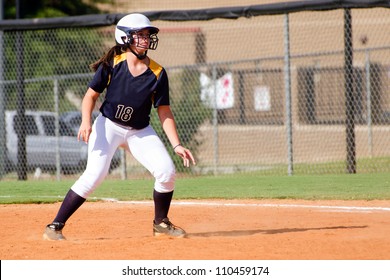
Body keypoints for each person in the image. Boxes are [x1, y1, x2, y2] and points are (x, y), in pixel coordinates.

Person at [43, 13, 196, 240]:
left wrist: (177, 145)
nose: (146, 39)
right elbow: (90, 96)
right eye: (140, 35)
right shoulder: (113, 63)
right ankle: (55, 226)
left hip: (139, 131)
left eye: (147, 35)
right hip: (109, 126)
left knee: (167, 171)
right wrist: (86, 122)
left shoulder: (158, 73)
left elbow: (164, 111)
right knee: (94, 175)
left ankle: (160, 223)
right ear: (125, 38)